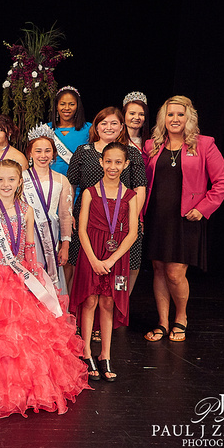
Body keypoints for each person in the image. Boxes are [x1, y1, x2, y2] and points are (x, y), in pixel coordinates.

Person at [0, 160, 89, 417]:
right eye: (0, 180)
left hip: (19, 275)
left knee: (25, 333)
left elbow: (28, 246)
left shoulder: (25, 209)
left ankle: (26, 389)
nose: (6, 184)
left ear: (19, 182)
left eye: (11, 180)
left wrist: (34, 272)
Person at [142, 96, 224, 343]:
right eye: (170, 114)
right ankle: (162, 322)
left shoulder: (204, 145)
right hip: (156, 217)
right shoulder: (151, 146)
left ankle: (181, 318)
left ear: (188, 118)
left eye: (180, 115)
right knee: (159, 270)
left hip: (185, 219)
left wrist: (203, 208)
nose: (174, 119)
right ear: (163, 118)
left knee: (174, 273)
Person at [71, 142, 138, 382]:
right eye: (108, 161)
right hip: (91, 254)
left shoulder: (130, 197)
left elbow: (132, 233)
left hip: (115, 257)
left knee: (108, 302)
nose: (112, 166)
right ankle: (87, 351)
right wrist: (94, 259)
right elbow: (81, 229)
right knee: (89, 300)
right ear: (101, 162)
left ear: (126, 164)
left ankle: (106, 354)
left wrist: (110, 259)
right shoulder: (90, 192)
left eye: (118, 162)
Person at [66, 107, 147, 295]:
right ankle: (75, 310)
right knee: (77, 260)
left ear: (121, 127)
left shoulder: (132, 154)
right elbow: (70, 185)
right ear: (96, 126)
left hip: (122, 222)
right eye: (104, 123)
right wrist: (69, 213)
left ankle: (119, 307)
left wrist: (132, 219)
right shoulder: (83, 151)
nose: (108, 127)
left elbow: (140, 187)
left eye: (114, 123)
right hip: (88, 220)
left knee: (130, 262)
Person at [22, 124, 74, 294]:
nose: (43, 155)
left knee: (51, 282)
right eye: (38, 151)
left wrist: (65, 246)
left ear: (53, 153)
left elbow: (66, 215)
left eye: (47, 151)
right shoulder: (21, 178)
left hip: (51, 237)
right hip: (27, 237)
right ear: (30, 153)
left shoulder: (62, 180)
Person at [48, 86, 91, 177]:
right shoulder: (46, 129)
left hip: (80, 184)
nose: (66, 108)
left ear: (77, 106)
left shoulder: (88, 128)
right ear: (56, 106)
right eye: (62, 104)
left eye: (71, 104)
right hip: (51, 183)